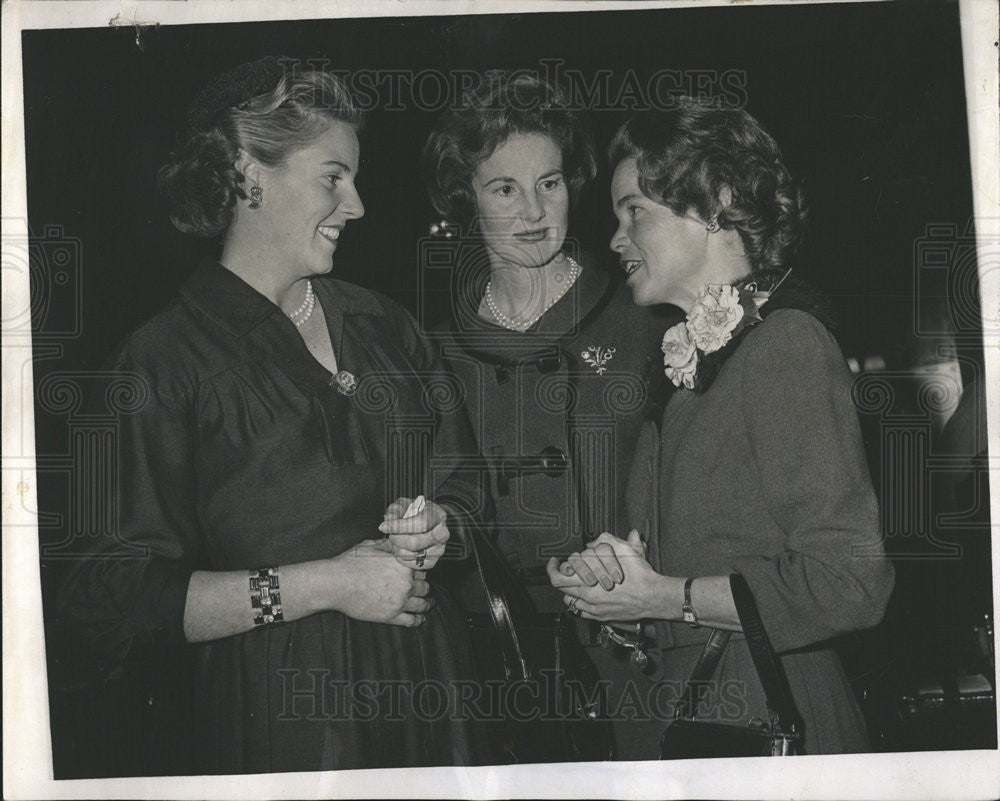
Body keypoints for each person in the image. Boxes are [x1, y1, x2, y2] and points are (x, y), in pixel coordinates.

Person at [58, 57, 490, 774]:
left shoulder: (387, 322)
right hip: (290, 715)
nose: (357, 205)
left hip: (434, 692)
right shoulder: (163, 358)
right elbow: (111, 598)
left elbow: (465, 481)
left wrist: (441, 522)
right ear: (247, 171)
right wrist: (327, 583)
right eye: (332, 177)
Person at [548, 101, 895, 757]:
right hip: (688, 729)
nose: (616, 238)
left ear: (715, 205)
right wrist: (619, 590)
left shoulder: (786, 345)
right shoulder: (687, 372)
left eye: (634, 211)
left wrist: (668, 597)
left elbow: (849, 582)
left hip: (767, 723)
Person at [422, 73, 674, 759]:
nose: (534, 210)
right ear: (466, 200)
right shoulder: (434, 350)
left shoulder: (645, 321)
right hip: (496, 668)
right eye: (505, 188)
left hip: (632, 654)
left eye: (551, 183)